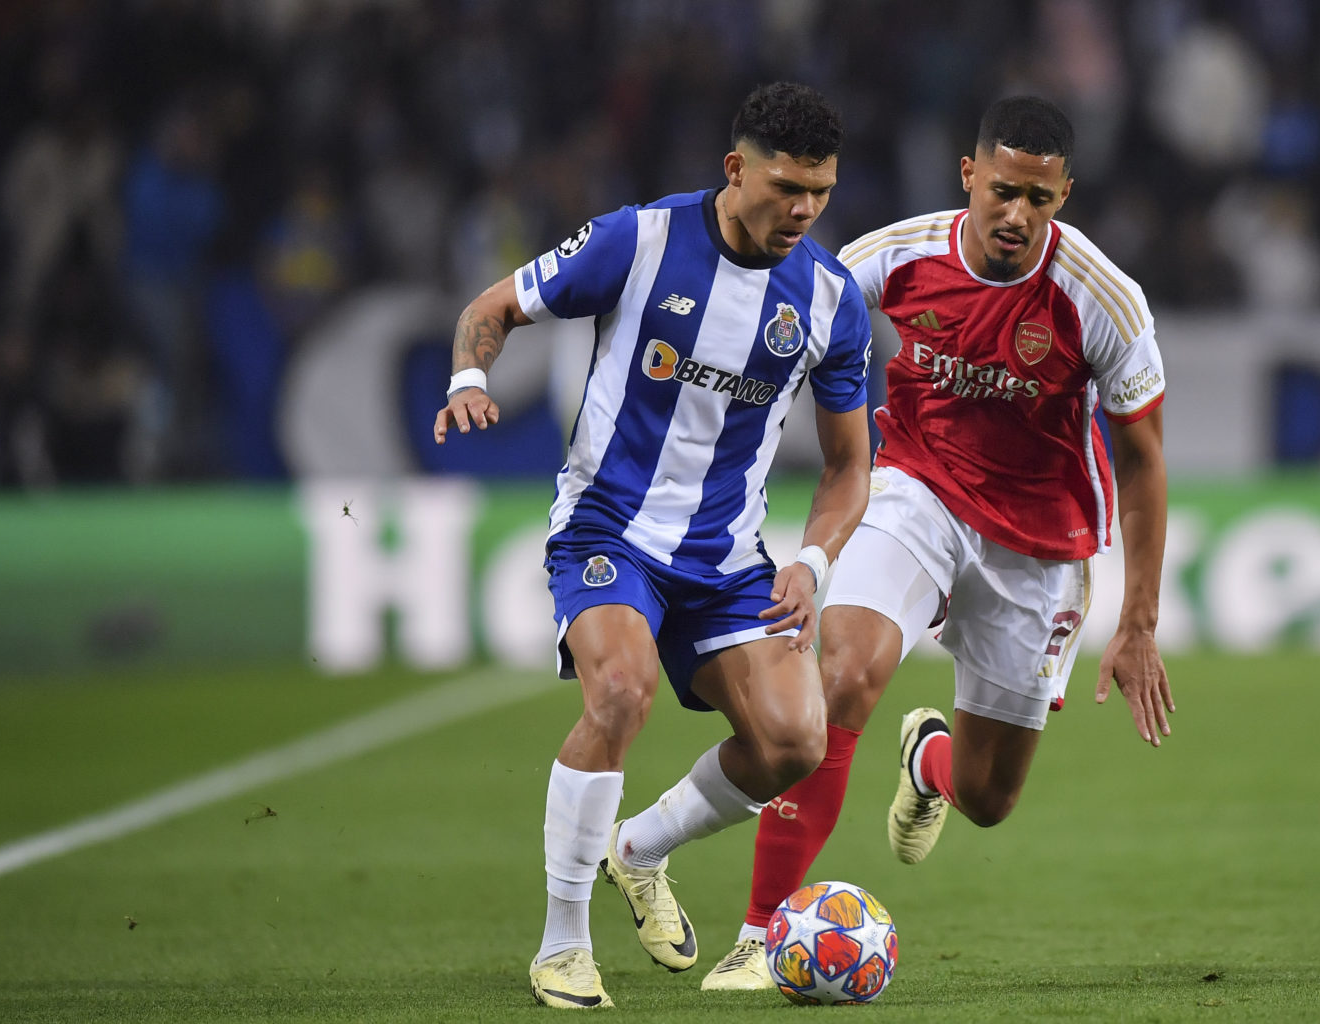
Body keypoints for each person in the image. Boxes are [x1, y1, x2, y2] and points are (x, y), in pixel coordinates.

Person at [700, 95, 1174, 990]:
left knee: (990, 799)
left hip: (1041, 542)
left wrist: (1139, 619)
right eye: (1002, 191)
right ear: (970, 176)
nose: (1016, 214)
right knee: (839, 674)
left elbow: (1144, 461)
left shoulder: (1103, 300)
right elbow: (788, 322)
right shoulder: (893, 256)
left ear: (1064, 194)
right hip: (915, 489)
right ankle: (761, 934)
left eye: (1038, 198)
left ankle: (929, 760)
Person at [433, 82, 873, 1009]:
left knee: (796, 741)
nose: (801, 209)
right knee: (622, 691)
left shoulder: (831, 300)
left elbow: (847, 468)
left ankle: (639, 851)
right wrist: (470, 374)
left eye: (820, 192)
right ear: (735, 169)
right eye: (785, 186)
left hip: (725, 560)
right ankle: (562, 944)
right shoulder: (638, 241)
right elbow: (492, 306)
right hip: (610, 532)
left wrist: (814, 562)